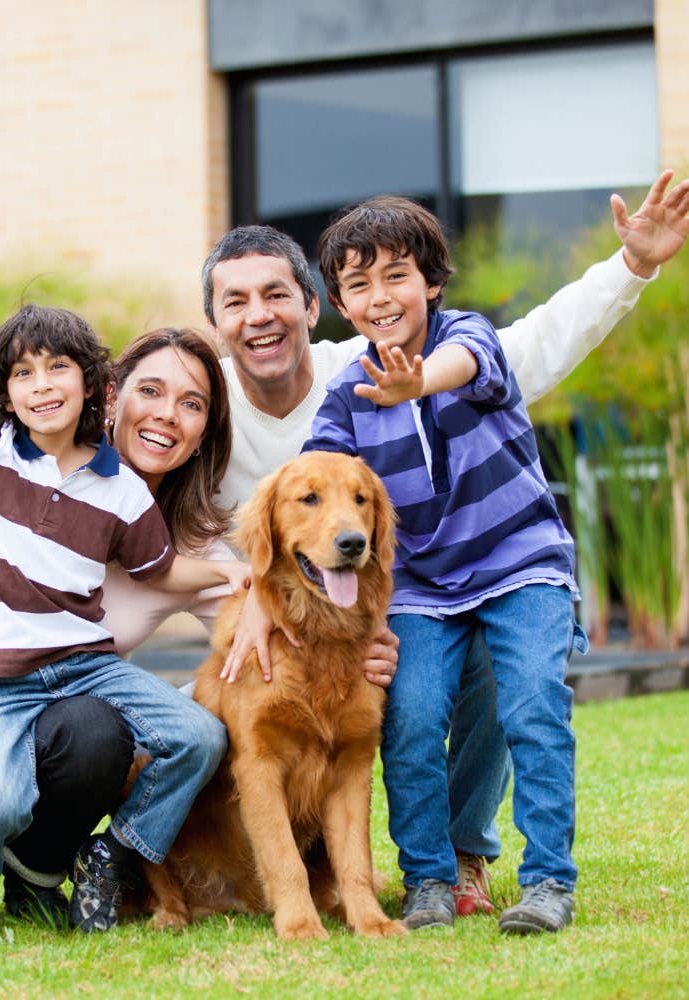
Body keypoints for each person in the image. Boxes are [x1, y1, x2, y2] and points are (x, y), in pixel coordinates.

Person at [0, 171, 689, 918]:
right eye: (235, 303)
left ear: (311, 305)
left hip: (91, 691)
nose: (165, 416)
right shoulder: (88, 451)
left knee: (471, 654)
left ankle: (458, 857)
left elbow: (525, 349)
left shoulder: (358, 375)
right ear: (210, 326)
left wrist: (634, 267)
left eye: (276, 295)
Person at [0, 170, 248, 934]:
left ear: (91, 383)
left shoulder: (126, 496)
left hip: (82, 673)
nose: (40, 384)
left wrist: (243, 574)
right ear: (119, 392)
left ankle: (108, 855)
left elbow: (165, 570)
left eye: (191, 403)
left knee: (195, 734)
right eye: (23, 374)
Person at [304, 194, 586, 934]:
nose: (380, 297)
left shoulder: (468, 337)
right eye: (358, 285)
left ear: (430, 282)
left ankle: (549, 880)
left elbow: (464, 364)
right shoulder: (343, 395)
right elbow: (315, 481)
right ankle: (428, 878)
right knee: (414, 719)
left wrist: (417, 381)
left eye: (396, 276)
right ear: (339, 302)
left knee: (531, 704)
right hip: (423, 586)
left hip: (520, 560)